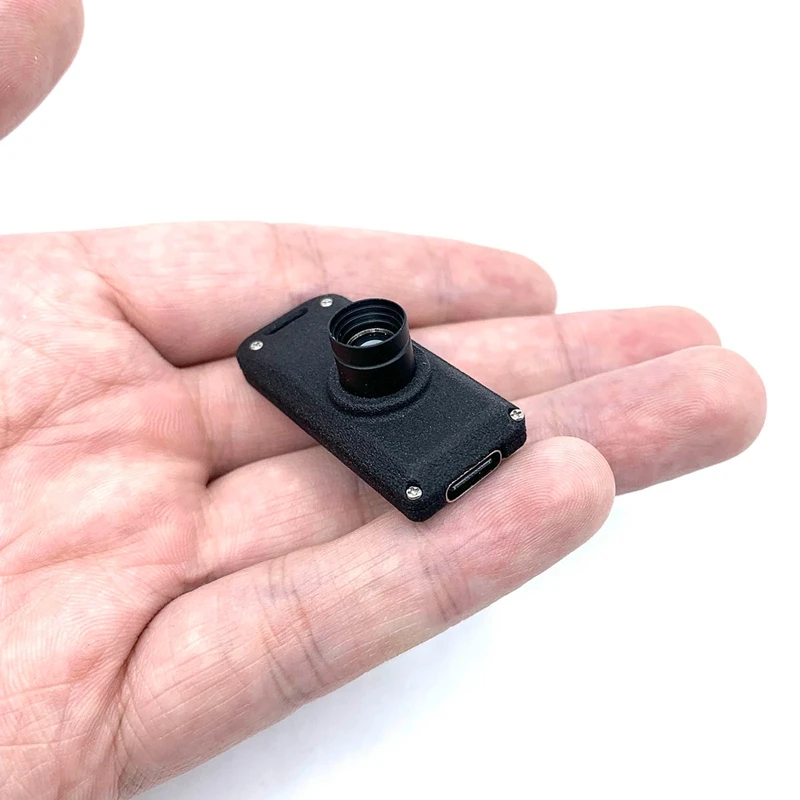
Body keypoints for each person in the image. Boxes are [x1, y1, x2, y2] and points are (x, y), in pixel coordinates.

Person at [0, 3, 766, 798]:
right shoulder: (299, 358)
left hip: (427, 426)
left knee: (435, 397)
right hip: (369, 423)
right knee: (378, 393)